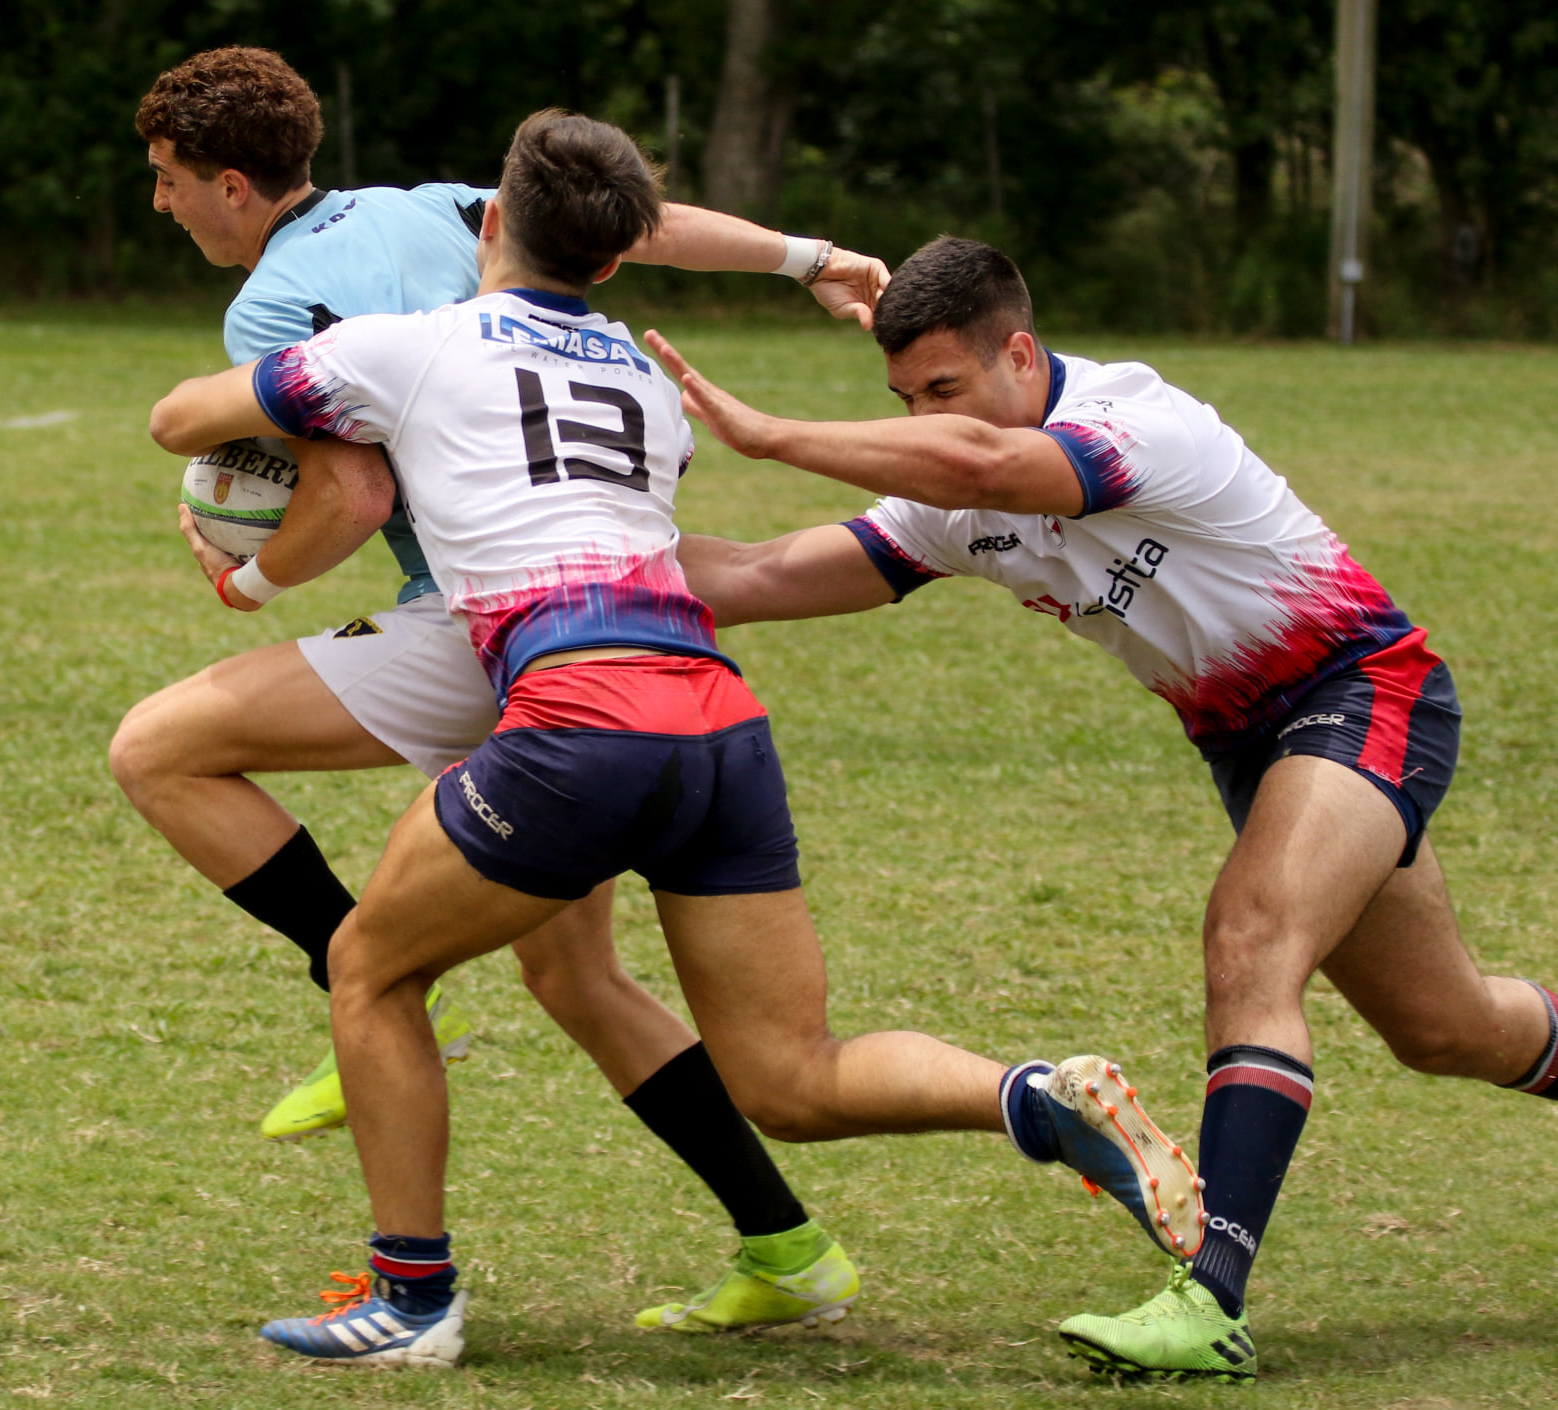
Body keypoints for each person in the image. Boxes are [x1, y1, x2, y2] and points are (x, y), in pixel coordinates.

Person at [146, 111, 1201, 1370]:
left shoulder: (400, 349)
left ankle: (412, 1303)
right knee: (791, 1076)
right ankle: (1026, 1095)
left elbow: (180, 419)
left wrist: (239, 505)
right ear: (609, 259)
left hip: (571, 722)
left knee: (370, 970)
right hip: (716, 723)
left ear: (492, 223)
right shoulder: (647, 387)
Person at [654, 235, 1558, 1383]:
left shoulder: (1136, 421)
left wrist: (770, 435)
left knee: (1251, 939)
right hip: (1249, 744)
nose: (925, 420)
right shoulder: (959, 503)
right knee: (1447, 1027)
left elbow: (983, 464)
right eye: (904, 400)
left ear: (1019, 354)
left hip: (1358, 689)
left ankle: (1209, 1300)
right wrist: (548, 542)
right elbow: (758, 575)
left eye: (943, 389)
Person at [113, 45, 902, 1332]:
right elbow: (640, 226)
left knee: (163, 749)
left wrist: (244, 581)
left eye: (168, 181)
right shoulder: (429, 207)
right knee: (577, 979)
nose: (160, 204)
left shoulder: (270, 310)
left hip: (486, 628)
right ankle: (787, 1247)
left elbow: (352, 495)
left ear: (238, 186)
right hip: (602, 613)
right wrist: (808, 259)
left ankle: (351, 1001)